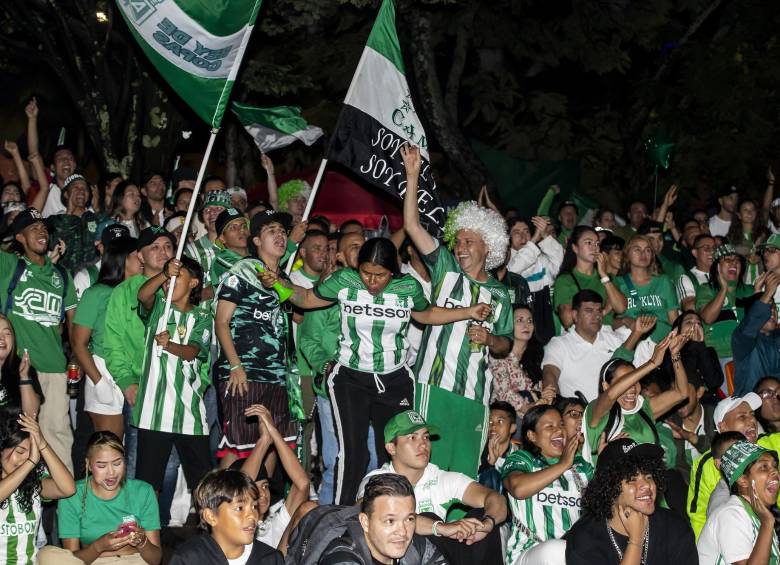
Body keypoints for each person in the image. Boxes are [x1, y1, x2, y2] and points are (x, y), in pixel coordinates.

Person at [260, 237, 492, 505]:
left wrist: (467, 311)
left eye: (379, 275)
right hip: (350, 376)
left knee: (393, 453)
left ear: (392, 272)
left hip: (394, 379)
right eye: (366, 273)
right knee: (353, 453)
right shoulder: (345, 280)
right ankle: (342, 517)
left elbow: (426, 315)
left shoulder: (407, 287)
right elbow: (307, 298)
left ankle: (392, 511)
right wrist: (278, 283)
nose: (371, 281)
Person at [402, 145, 513, 477]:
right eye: (459, 241)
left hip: (474, 395)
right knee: (424, 467)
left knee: (463, 473)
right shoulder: (445, 268)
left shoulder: (501, 294)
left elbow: (506, 343)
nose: (460, 248)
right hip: (431, 387)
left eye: (469, 242)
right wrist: (412, 176)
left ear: (488, 247)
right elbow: (412, 225)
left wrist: (491, 338)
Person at [357, 410, 507, 565]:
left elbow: (496, 499)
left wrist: (487, 523)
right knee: (426, 521)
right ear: (391, 448)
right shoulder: (376, 480)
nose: (423, 444)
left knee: (480, 516)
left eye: (426, 437)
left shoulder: (439, 477)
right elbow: (358, 512)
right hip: (394, 558)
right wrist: (439, 527)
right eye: (412, 437)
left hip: (438, 559)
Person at [214, 210, 297, 468]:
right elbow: (221, 321)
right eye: (271, 230)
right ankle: (220, 504)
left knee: (273, 442)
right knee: (239, 447)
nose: (280, 235)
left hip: (277, 375)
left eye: (283, 231)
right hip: (246, 374)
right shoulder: (244, 270)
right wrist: (236, 366)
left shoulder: (284, 279)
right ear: (257, 240)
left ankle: (263, 503)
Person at [1, 208, 77, 471]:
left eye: (44, 227)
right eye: (34, 228)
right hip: (15, 369)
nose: (42, 231)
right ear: (20, 237)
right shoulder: (10, 266)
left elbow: (73, 324)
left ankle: (63, 507)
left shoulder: (62, 276)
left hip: (54, 369)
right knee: (16, 440)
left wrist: (75, 359)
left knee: (58, 438)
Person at [297, 230, 370, 504]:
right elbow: (309, 338)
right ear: (338, 255)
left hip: (369, 388)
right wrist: (324, 364)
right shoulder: (328, 291)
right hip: (334, 390)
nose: (361, 250)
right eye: (353, 247)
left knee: (372, 461)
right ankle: (326, 527)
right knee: (337, 460)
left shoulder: (377, 292)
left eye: (364, 245)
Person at [134, 256, 213, 496]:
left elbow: (192, 352)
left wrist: (169, 346)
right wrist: (164, 274)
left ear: (194, 283)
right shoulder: (159, 307)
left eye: (179, 276)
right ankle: (148, 532)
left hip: (189, 413)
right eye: (169, 277)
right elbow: (142, 296)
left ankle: (208, 529)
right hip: (153, 414)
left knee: (204, 486)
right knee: (148, 486)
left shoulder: (202, 317)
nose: (170, 281)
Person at [103, 226, 175, 475]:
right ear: (140, 257)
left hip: (176, 388)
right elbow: (112, 342)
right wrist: (125, 380)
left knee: (171, 463)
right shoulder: (124, 292)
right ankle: (133, 514)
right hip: (140, 386)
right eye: (154, 247)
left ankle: (163, 515)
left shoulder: (184, 289)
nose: (162, 252)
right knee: (135, 456)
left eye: (167, 246)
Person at [564, 438, 698, 564]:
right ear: (609, 488)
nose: (646, 485)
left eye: (649, 476)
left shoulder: (674, 527)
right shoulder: (586, 537)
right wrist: (635, 540)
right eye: (632, 479)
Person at [39, 431, 161, 565]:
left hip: (135, 561)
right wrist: (98, 547)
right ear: (88, 464)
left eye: (117, 463)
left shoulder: (143, 491)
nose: (111, 473)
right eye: (102, 466)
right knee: (46, 555)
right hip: (93, 562)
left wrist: (143, 542)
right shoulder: (72, 495)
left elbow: (155, 559)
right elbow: (72, 559)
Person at [583, 330, 690, 465]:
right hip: (610, 484)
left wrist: (675, 355)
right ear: (606, 386)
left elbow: (682, 393)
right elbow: (610, 396)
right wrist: (652, 363)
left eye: (635, 381)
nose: (632, 388)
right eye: (625, 382)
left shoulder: (643, 408)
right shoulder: (597, 410)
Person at [502, 405, 592, 565]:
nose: (559, 431)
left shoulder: (581, 466)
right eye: (550, 426)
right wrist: (563, 465)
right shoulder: (523, 459)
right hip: (529, 551)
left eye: (561, 425)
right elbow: (518, 488)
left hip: (574, 552)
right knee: (555, 550)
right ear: (532, 436)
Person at [71, 236, 142, 438]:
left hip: (134, 371)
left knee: (132, 450)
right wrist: (98, 381)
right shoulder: (96, 293)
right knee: (111, 449)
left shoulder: (142, 293)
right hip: (104, 372)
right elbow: (78, 342)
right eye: (138, 256)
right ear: (124, 259)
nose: (143, 260)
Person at [542, 290, 652, 402]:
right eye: (589, 311)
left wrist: (636, 332)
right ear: (575, 315)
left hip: (616, 411)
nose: (597, 316)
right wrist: (555, 405)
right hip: (578, 414)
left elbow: (626, 363)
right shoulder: (559, 344)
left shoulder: (613, 339)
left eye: (599, 311)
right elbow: (549, 375)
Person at [235, 404, 315, 553]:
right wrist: (264, 441)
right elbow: (238, 490)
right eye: (255, 488)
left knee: (309, 508)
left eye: (265, 486)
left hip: (278, 559)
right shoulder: (232, 525)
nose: (262, 493)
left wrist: (273, 431)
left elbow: (302, 484)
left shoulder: (275, 523)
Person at [0, 408, 76, 565]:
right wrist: (30, 462)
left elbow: (68, 488)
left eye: (30, 454)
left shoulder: (33, 484)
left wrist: (42, 444)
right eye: (20, 451)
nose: (24, 460)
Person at [318, 473, 447, 565]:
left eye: (409, 519)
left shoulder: (417, 547)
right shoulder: (341, 558)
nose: (402, 532)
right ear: (365, 522)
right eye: (390, 521)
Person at [687, 393, 766, 538]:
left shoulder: (769, 444)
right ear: (723, 427)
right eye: (742, 417)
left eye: (752, 414)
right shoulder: (706, 464)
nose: (752, 421)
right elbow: (698, 516)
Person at [168, 469, 284, 565]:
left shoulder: (270, 559)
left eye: (254, 506)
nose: (252, 516)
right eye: (239, 508)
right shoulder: (188, 560)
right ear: (211, 516)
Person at [697, 441, 780, 564]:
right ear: (742, 479)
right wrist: (767, 523)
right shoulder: (731, 515)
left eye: (775, 466)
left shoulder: (758, 515)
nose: (775, 472)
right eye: (764, 467)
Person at [554, 225, 627, 330]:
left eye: (597, 243)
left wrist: (604, 275)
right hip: (581, 336)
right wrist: (604, 311)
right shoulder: (566, 279)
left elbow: (621, 308)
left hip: (607, 334)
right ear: (575, 248)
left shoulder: (608, 278)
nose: (595, 247)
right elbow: (568, 320)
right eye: (588, 243)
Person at [505, 216, 563, 344]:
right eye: (516, 232)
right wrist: (535, 239)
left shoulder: (541, 259)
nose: (523, 236)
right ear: (508, 237)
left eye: (526, 231)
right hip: (517, 321)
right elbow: (514, 269)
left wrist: (545, 235)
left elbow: (560, 265)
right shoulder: (505, 260)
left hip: (543, 315)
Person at [696, 243, 757, 365]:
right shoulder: (706, 289)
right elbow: (708, 318)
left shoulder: (749, 290)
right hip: (720, 356)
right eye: (728, 259)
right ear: (717, 267)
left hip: (748, 355)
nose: (734, 263)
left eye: (737, 260)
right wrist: (723, 289)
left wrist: (760, 295)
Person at [613, 235, 680, 345]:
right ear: (627, 255)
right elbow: (609, 323)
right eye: (637, 249)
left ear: (652, 255)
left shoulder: (663, 281)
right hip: (631, 342)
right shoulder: (618, 282)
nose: (643, 254)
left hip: (662, 343)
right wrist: (626, 320)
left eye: (647, 250)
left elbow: (674, 319)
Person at [489, 305, 547, 419]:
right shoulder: (499, 353)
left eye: (530, 321)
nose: (526, 325)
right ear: (509, 325)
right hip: (506, 417)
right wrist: (530, 408)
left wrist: (545, 397)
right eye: (519, 320)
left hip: (532, 418)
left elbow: (539, 391)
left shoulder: (537, 356)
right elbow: (503, 393)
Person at [732, 275, 780, 395]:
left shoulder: (777, 336)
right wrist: (768, 292)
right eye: (768, 308)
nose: (773, 312)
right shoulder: (741, 337)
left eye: (774, 308)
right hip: (751, 404)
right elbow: (751, 321)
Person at [47, 173, 106, 272]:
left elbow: (110, 238)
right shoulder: (55, 220)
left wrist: (97, 209)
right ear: (66, 194)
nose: (81, 191)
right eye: (76, 187)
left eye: (85, 188)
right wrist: (69, 214)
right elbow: (54, 244)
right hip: (65, 278)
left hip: (93, 278)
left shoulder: (96, 217)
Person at [186, 190, 231, 296]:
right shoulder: (191, 251)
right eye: (207, 209)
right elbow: (186, 293)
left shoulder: (242, 248)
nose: (212, 213)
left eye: (219, 208)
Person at [72, 223, 133, 299]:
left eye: (124, 248)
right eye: (114, 249)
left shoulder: (136, 274)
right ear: (101, 248)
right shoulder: (85, 278)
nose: (120, 252)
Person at [0, 315, 41, 415]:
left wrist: (24, 377)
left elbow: (31, 415)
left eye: (7, 333)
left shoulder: (23, 368)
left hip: (16, 429)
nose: (2, 337)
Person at [477, 401, 520, 493]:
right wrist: (490, 464)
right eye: (490, 421)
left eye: (500, 421)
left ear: (512, 428)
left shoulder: (519, 456)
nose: (493, 426)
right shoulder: (477, 449)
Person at [727, 199, 769, 283]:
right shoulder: (731, 238)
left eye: (752, 210)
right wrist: (746, 258)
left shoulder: (765, 236)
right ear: (739, 215)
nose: (750, 213)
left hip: (763, 283)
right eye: (745, 210)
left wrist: (761, 258)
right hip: (740, 284)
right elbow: (727, 261)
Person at [212, 208, 250, 287]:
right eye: (233, 227)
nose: (242, 230)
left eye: (244, 226)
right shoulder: (222, 260)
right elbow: (248, 275)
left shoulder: (256, 253)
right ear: (222, 238)